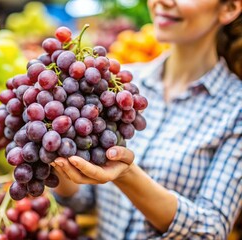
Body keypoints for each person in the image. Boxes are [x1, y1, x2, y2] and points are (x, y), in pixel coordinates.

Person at [50, 0, 242, 239]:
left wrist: (127, 176)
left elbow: (210, 231)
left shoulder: (237, 108)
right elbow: (85, 200)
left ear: (229, 8)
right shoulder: (118, 85)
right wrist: (54, 156)